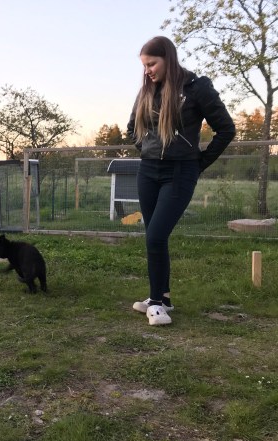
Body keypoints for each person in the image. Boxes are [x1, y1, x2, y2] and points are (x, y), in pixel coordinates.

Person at [126, 36, 235, 326]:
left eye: (152, 64)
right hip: (148, 172)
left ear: (168, 59)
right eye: (144, 65)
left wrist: (199, 163)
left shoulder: (197, 88)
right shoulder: (147, 91)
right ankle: (162, 298)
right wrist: (147, 150)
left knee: (155, 236)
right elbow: (131, 128)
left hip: (180, 173)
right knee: (154, 236)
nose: (147, 70)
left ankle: (156, 305)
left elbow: (226, 129)